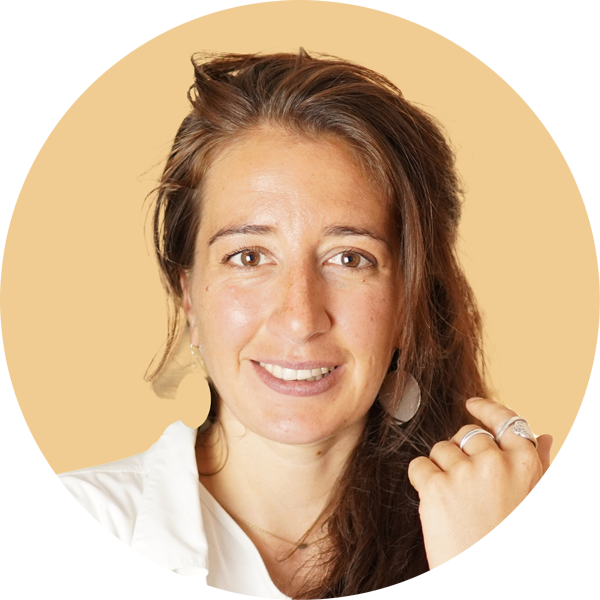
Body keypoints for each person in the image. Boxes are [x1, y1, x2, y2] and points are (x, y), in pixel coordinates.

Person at [0, 50, 598, 600]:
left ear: (409, 299)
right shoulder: (72, 541)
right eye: (248, 257)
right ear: (188, 294)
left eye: (350, 259)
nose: (300, 316)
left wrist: (496, 584)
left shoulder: (520, 534)